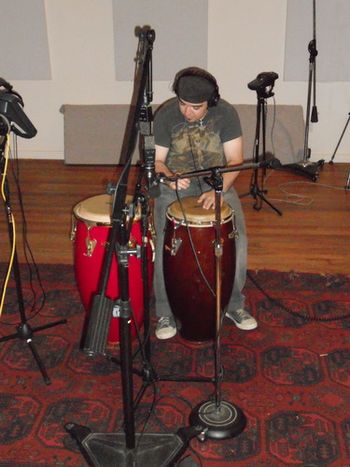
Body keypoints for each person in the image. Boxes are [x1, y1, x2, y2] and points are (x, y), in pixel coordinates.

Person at [153, 66, 257, 340]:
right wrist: (168, 178)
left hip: (217, 182)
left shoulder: (226, 113)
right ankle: (165, 311)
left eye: (195, 107)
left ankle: (234, 305)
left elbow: (235, 160)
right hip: (175, 185)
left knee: (238, 240)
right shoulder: (165, 115)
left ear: (210, 103)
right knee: (167, 245)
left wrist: (220, 189)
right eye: (183, 104)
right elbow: (158, 162)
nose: (187, 112)